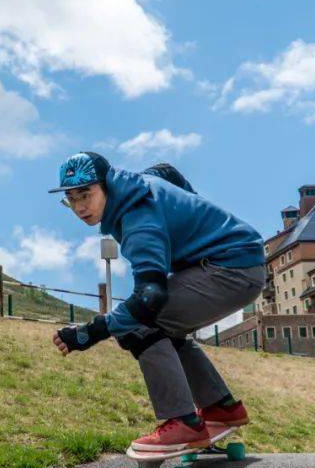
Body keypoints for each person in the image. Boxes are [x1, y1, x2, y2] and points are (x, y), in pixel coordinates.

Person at [48, 152, 265, 452]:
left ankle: (183, 423)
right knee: (164, 327)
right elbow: (168, 172)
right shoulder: (137, 184)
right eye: (71, 199)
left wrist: (92, 332)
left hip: (230, 270)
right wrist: (194, 216)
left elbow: (150, 297)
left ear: (107, 186)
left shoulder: (138, 220)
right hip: (235, 260)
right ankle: (220, 407)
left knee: (137, 325)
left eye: (86, 194)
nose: (80, 207)